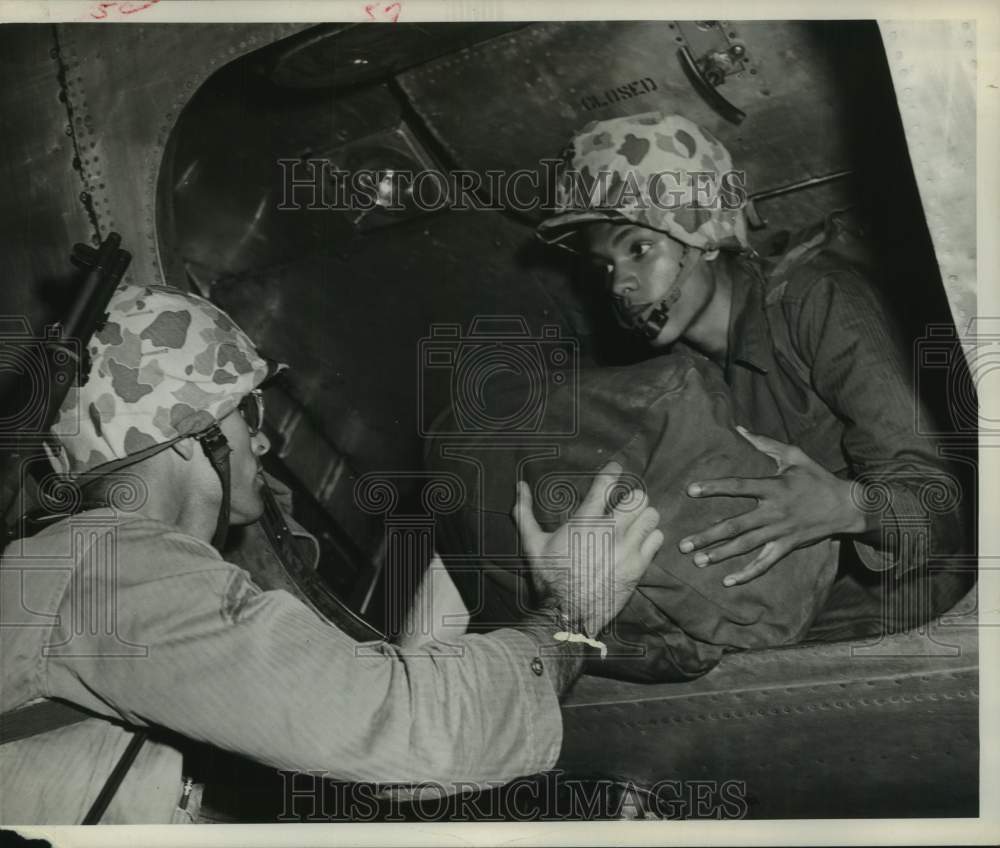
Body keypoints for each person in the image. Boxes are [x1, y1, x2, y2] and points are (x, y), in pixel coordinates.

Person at [0, 283, 664, 824]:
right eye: (247, 415)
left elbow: (341, 750)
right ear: (188, 432)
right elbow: (406, 737)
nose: (260, 444)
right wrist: (575, 609)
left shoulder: (84, 572)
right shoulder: (115, 570)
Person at [536, 111, 971, 639]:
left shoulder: (816, 300)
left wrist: (846, 506)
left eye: (638, 248)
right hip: (784, 607)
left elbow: (942, 509)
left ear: (704, 231)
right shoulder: (670, 376)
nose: (618, 284)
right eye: (603, 266)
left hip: (906, 602)